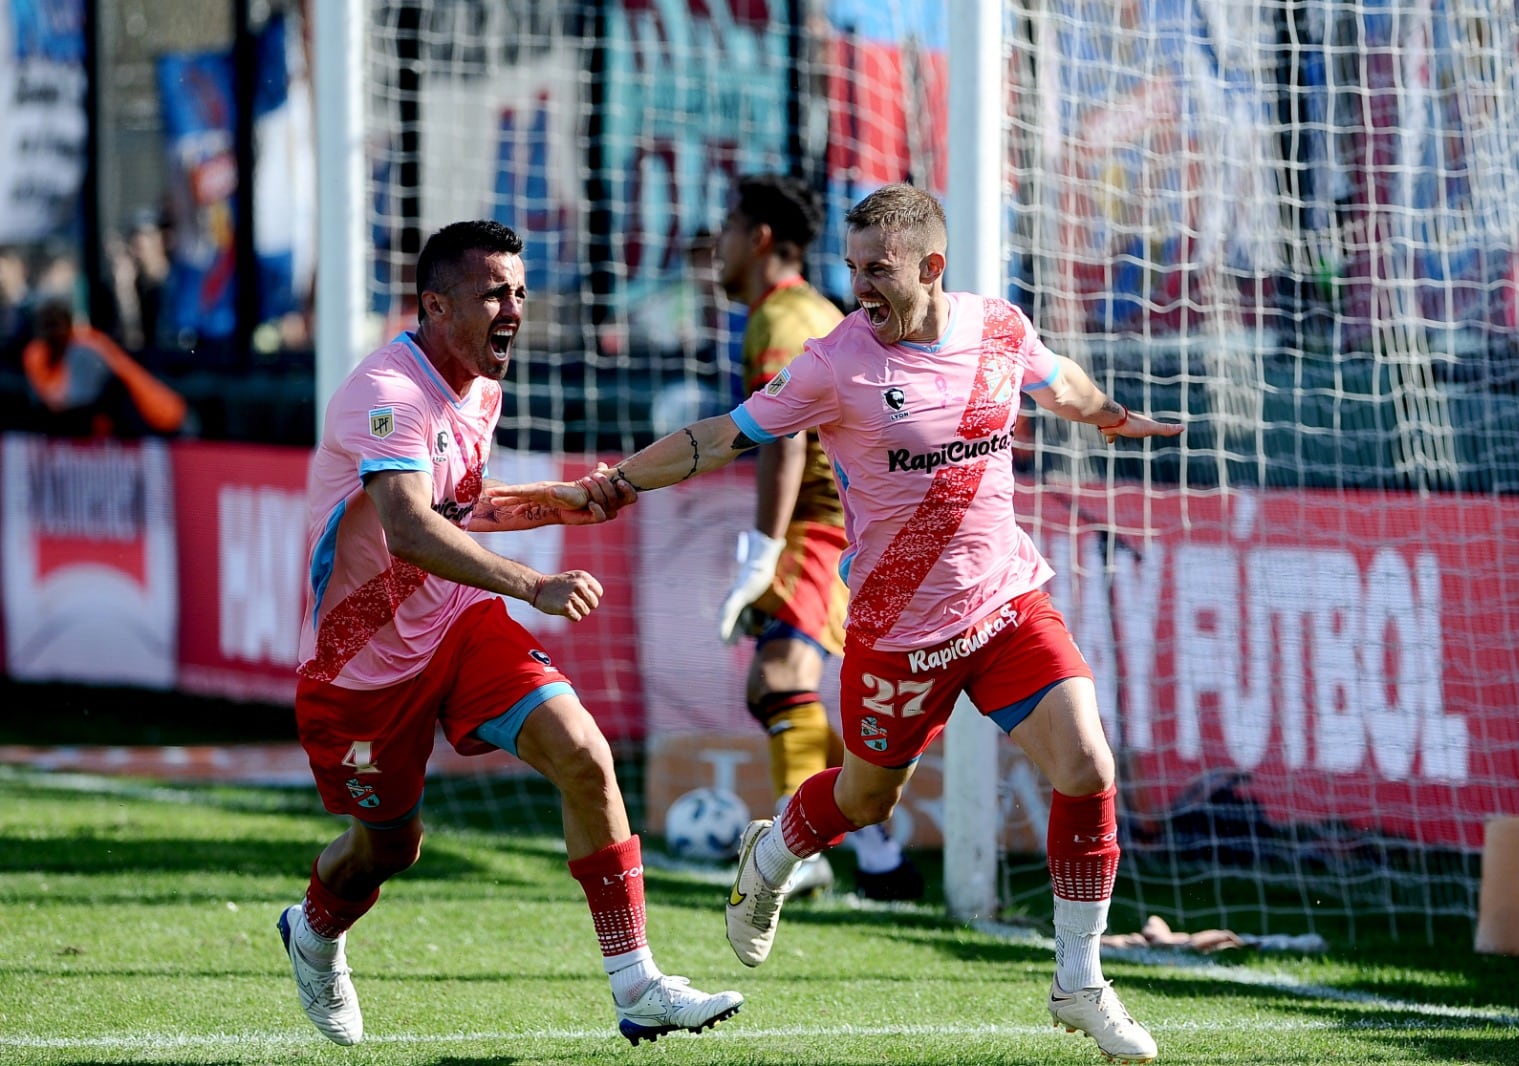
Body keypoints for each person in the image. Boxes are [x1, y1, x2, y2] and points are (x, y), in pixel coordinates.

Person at [526, 184, 1182, 1061]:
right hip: (898, 628)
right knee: (869, 797)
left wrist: (1109, 417)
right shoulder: (835, 360)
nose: (861, 285)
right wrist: (616, 482)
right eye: (853, 267)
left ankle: (1080, 981)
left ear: (931, 266)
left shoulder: (998, 328)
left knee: (1088, 761)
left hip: (1007, 604)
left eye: (878, 268)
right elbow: (724, 435)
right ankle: (772, 857)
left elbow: (1057, 380)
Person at [280, 219, 742, 1048]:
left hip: (457, 625)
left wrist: (557, 500)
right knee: (391, 849)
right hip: (362, 671)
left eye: (521, 291)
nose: (515, 308)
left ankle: (636, 984)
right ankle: (313, 932)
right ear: (435, 304)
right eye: (496, 291)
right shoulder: (384, 396)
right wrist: (535, 581)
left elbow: (460, 503)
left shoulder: (481, 387)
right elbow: (412, 530)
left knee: (585, 754)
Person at [711, 173, 922, 901]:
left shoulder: (785, 316)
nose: (718, 245)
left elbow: (785, 435)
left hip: (824, 528)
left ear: (760, 238)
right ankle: (879, 844)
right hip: (833, 524)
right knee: (774, 689)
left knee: (777, 681)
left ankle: (798, 851)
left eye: (729, 228)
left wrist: (762, 551)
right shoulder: (798, 310)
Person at [20, 294, 190, 439]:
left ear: (69, 324)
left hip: (160, 420)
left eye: (55, 325)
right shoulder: (36, 353)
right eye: (45, 325)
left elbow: (77, 403)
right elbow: (48, 401)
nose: (51, 332)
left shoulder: (86, 348)